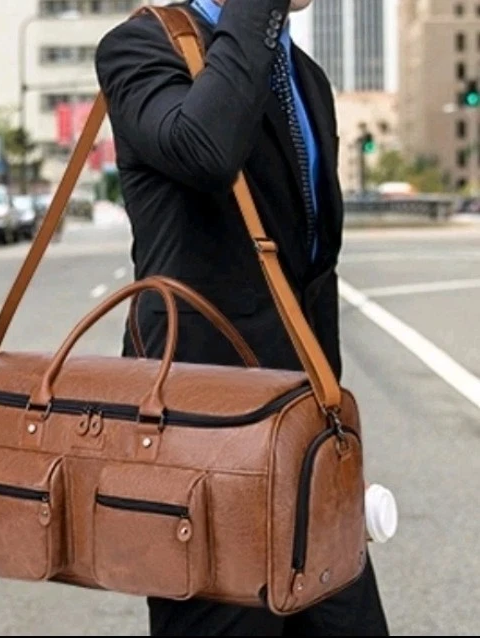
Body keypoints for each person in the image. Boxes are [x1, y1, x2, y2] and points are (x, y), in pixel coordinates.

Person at [95, 0, 390, 635]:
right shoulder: (141, 46)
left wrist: (332, 425)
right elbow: (205, 149)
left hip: (306, 440)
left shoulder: (304, 75)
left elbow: (311, 268)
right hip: (201, 440)